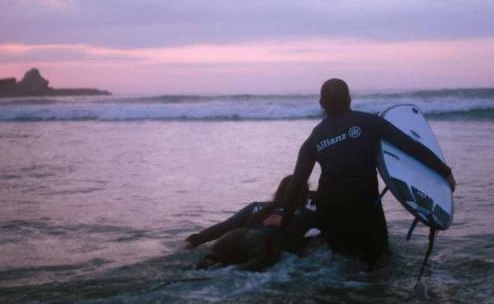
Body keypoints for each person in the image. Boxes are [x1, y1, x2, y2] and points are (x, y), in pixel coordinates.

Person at [280, 78, 456, 269]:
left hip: (330, 209)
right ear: (349, 99)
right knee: (378, 262)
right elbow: (410, 146)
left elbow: (297, 184)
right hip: (364, 205)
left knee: (341, 263)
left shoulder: (314, 138)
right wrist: (444, 172)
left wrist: (285, 222)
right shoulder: (370, 122)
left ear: (321, 103)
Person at [184, 175, 319, 271]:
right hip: (260, 242)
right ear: (304, 196)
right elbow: (328, 224)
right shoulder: (303, 212)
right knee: (234, 274)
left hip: (233, 237)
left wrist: (195, 240)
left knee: (207, 263)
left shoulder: (257, 206)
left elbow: (225, 226)